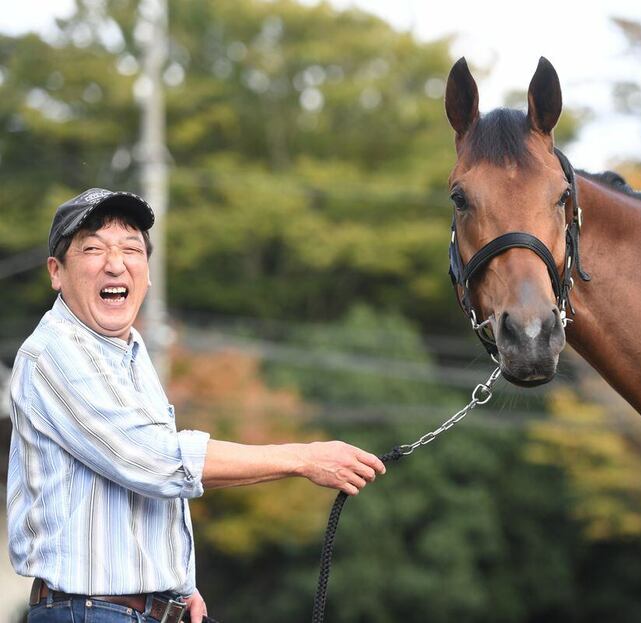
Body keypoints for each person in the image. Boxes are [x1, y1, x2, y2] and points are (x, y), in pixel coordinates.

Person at [6, 188, 386, 623]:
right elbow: (155, 460)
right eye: (93, 249)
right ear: (56, 271)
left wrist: (177, 587)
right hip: (89, 614)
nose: (115, 263)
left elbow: (148, 486)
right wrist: (304, 458)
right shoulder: (54, 352)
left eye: (131, 249)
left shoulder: (128, 350)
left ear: (147, 273)